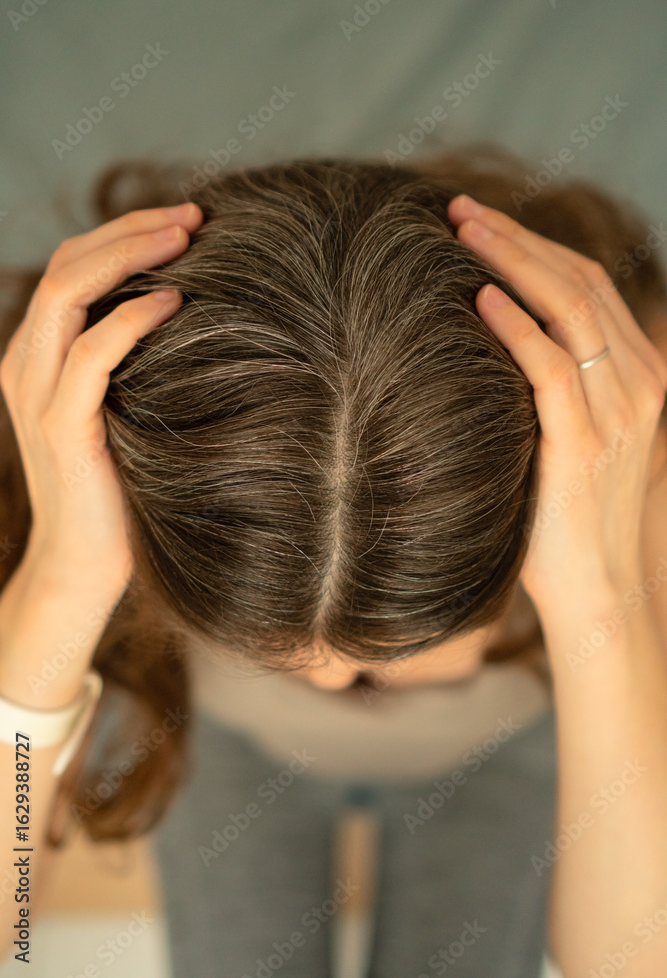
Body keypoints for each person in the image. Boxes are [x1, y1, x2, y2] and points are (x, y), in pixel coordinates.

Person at [1, 144, 666, 977]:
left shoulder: (625, 442)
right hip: (226, 747)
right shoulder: (86, 454)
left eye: (393, 656)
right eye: (270, 653)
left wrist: (602, 600)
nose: (328, 686)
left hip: (505, 751)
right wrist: (57, 583)